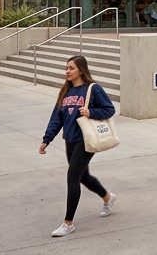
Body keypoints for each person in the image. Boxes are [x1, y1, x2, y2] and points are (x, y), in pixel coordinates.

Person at [40, 56, 116, 237]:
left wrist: (91, 112)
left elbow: (109, 109)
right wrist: (46, 139)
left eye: (71, 68)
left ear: (80, 70)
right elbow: (56, 118)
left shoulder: (92, 89)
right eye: (66, 68)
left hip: (86, 139)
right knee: (84, 176)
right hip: (70, 139)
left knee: (73, 176)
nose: (67, 71)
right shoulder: (65, 91)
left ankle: (68, 223)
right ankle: (108, 197)